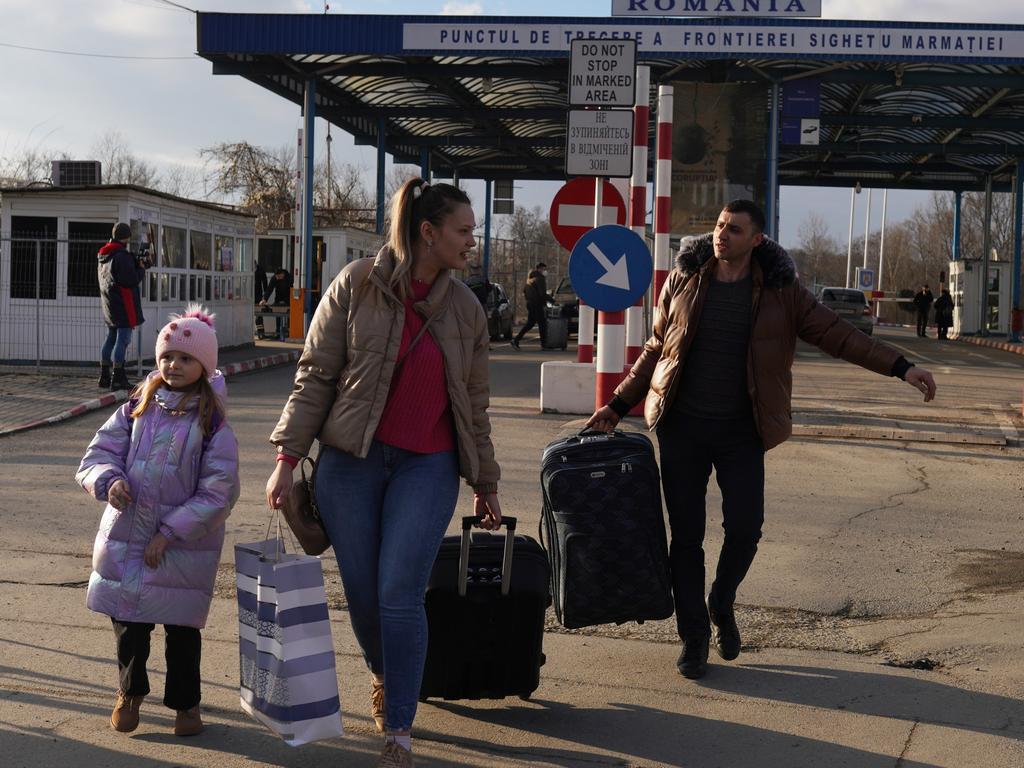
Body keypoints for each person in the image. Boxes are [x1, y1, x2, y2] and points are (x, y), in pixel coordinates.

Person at [587, 200, 937, 681]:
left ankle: (721, 599)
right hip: (681, 427)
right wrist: (616, 404)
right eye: (718, 226)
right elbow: (655, 349)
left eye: (733, 229)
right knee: (685, 538)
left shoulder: (782, 291)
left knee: (746, 529)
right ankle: (693, 638)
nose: (720, 235)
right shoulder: (685, 278)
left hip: (742, 431)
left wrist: (902, 367)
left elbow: (840, 336)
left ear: (756, 240)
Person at [265, 177, 502, 768]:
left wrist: (486, 482)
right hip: (351, 465)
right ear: (429, 233)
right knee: (365, 597)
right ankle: (382, 669)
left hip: (428, 465)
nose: (472, 242)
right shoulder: (355, 286)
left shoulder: (468, 309)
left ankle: (399, 725)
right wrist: (286, 462)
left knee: (399, 594)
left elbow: (474, 404)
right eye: (463, 231)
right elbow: (315, 376)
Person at [75, 304, 240, 737]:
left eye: (186, 358)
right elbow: (99, 453)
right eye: (167, 356)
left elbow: (218, 492)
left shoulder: (212, 423)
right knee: (129, 625)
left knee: (182, 631)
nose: (174, 365)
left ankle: (186, 706)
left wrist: (170, 533)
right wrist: (108, 481)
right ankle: (130, 691)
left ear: (204, 365)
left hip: (182, 547)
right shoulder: (137, 406)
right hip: (128, 538)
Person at [98, 222, 150, 391]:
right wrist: (141, 269)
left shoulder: (105, 254)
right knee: (123, 339)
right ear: (126, 237)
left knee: (111, 337)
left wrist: (135, 262)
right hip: (123, 303)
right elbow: (131, 280)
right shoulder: (122, 256)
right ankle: (118, 377)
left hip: (109, 302)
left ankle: (104, 376)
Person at [511, 262, 551, 349]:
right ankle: (544, 344)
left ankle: (516, 339)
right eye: (543, 269)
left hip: (530, 304)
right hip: (537, 304)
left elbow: (524, 291)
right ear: (539, 269)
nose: (545, 271)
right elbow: (542, 294)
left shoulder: (530, 279)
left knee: (530, 323)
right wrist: (551, 300)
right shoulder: (540, 279)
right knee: (542, 324)